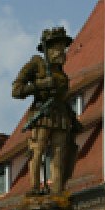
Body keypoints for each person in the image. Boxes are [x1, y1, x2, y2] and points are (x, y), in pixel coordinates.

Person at [11, 26, 81, 195]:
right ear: (48, 49)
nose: (61, 51)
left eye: (63, 48)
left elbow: (63, 99)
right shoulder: (37, 64)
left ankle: (57, 190)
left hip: (61, 117)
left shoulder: (61, 73)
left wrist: (73, 118)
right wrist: (41, 85)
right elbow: (16, 90)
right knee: (38, 150)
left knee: (60, 154)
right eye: (58, 47)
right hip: (42, 114)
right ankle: (35, 188)